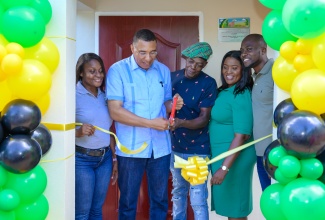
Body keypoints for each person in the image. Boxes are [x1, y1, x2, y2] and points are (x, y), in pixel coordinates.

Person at [105, 29, 183, 220]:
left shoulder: (163, 71)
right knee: (128, 203)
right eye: (142, 52)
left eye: (153, 52)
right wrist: (150, 123)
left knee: (160, 201)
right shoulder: (117, 70)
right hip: (131, 149)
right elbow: (115, 111)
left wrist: (172, 105)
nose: (148, 58)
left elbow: (164, 105)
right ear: (132, 48)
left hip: (160, 148)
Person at [169, 42, 217, 220]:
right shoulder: (172, 78)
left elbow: (204, 119)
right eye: (190, 62)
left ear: (204, 65)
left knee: (198, 200)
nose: (193, 67)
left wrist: (180, 122)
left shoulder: (208, 83)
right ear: (185, 59)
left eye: (199, 64)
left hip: (198, 151)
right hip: (175, 149)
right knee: (178, 194)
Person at [209, 50, 255, 220]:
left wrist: (224, 168)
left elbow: (241, 135)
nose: (228, 72)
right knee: (231, 208)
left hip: (234, 158)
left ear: (243, 70)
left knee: (236, 209)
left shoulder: (241, 94)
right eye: (225, 67)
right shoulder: (226, 91)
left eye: (234, 68)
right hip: (223, 155)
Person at [75, 53, 118, 220]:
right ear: (81, 73)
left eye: (100, 71)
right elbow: (60, 132)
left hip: (104, 159)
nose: (98, 75)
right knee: (82, 212)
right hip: (82, 160)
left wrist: (114, 159)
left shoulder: (105, 96)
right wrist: (78, 132)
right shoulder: (72, 95)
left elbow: (109, 130)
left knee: (96, 210)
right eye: (92, 71)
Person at [240, 34, 274, 191]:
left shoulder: (276, 72)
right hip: (260, 153)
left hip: (276, 153)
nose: (243, 54)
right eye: (242, 50)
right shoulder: (255, 77)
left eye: (249, 49)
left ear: (263, 50)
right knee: (271, 202)